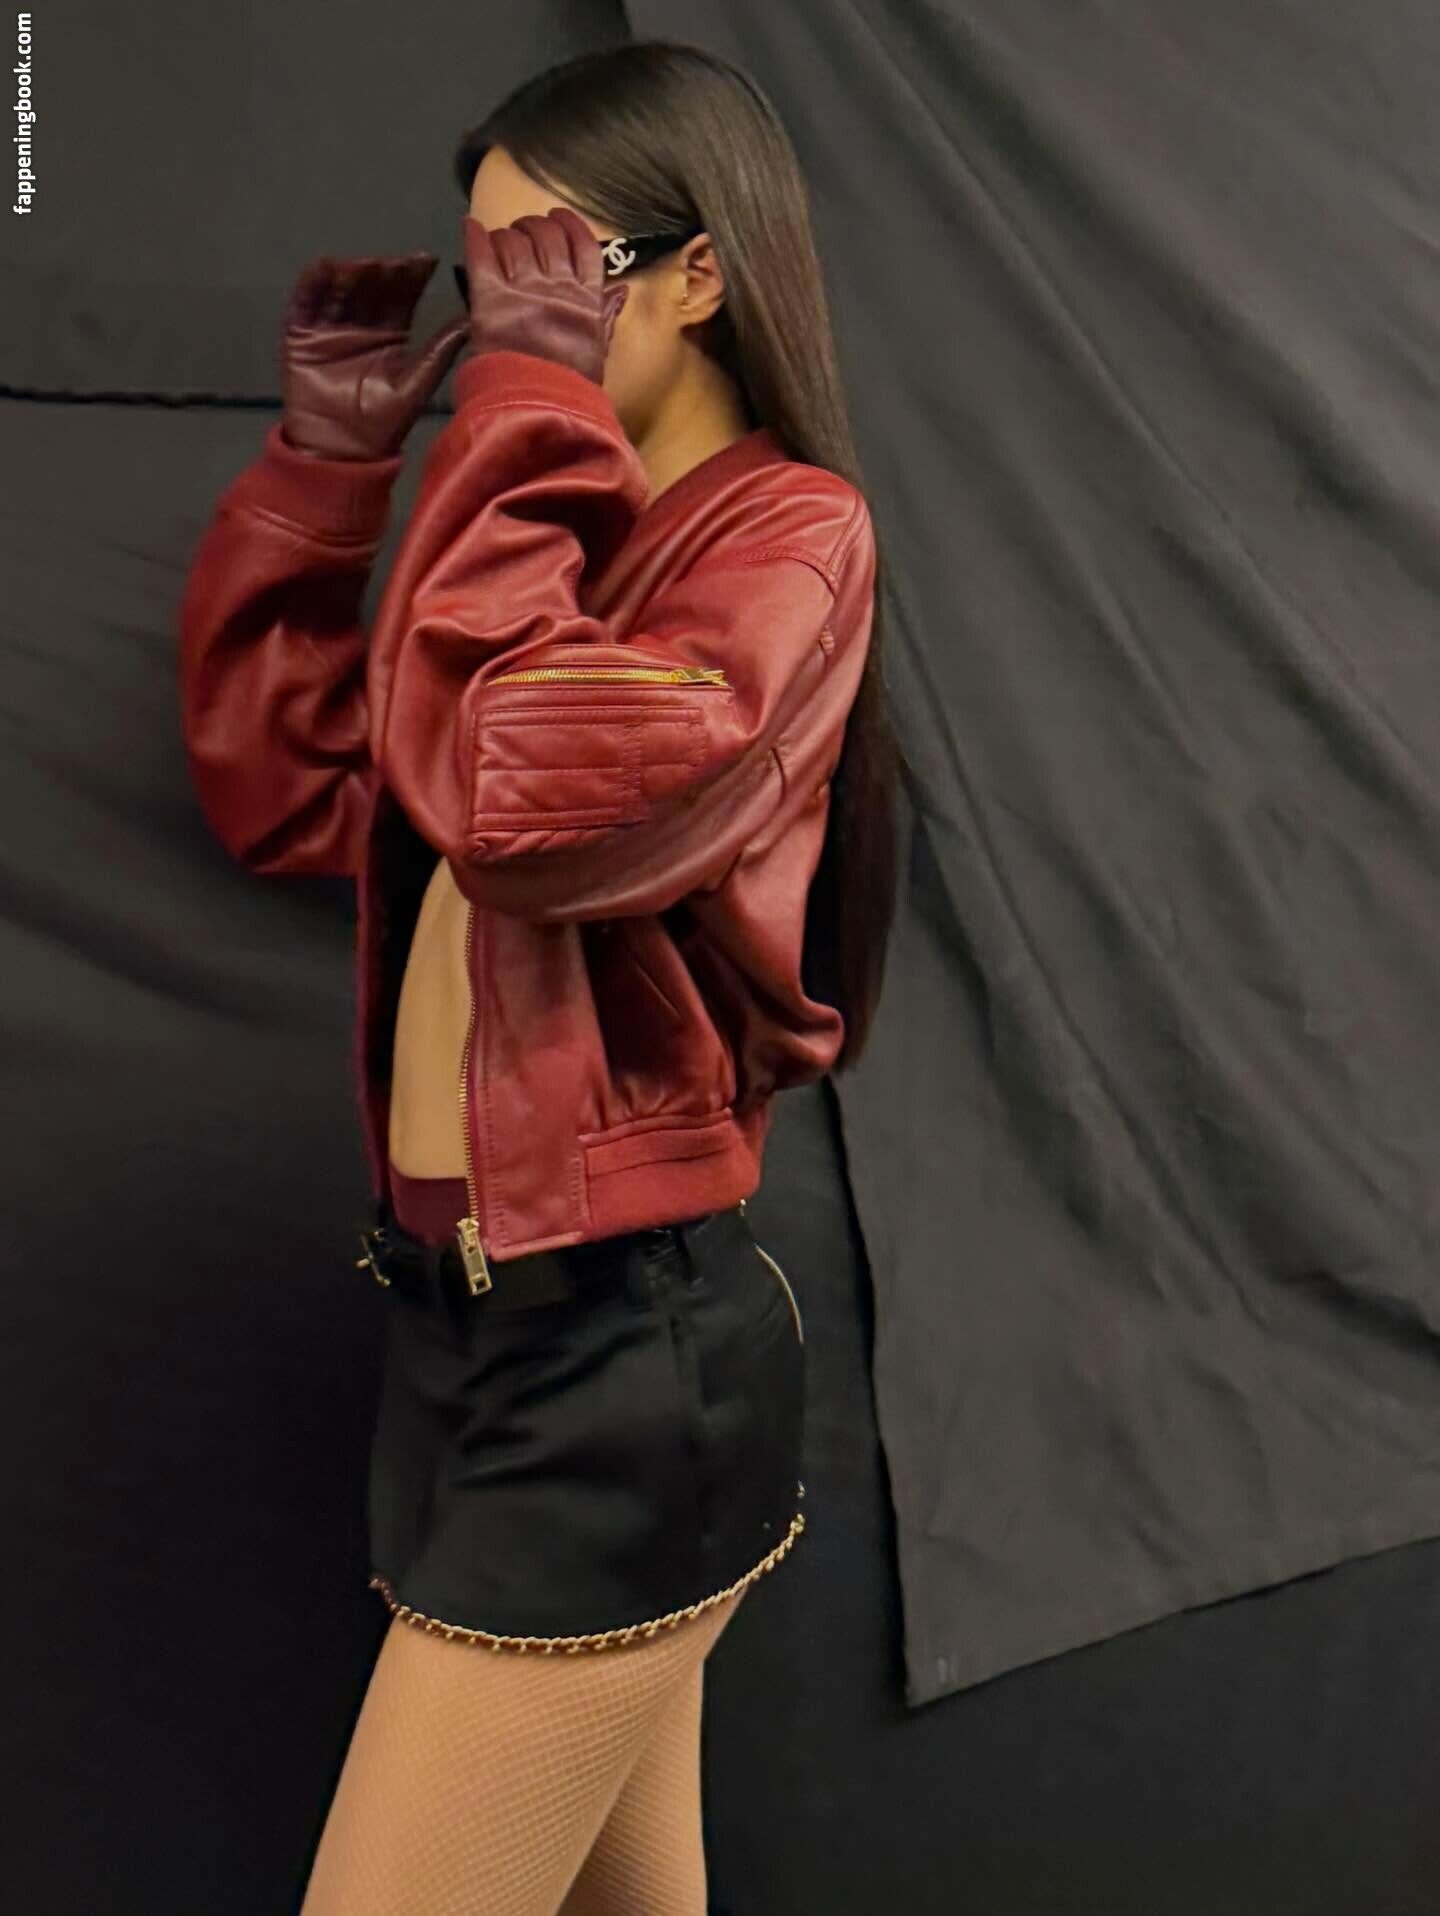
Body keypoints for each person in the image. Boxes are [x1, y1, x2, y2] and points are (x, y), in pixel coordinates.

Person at [177, 39, 897, 1916]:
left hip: (619, 1373)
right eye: (494, 278)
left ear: (699, 272)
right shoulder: (561, 552)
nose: (516, 323)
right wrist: (332, 479)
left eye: (557, 272)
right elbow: (293, 790)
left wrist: (515, 414)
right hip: (465, 1342)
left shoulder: (788, 540)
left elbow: (520, 807)